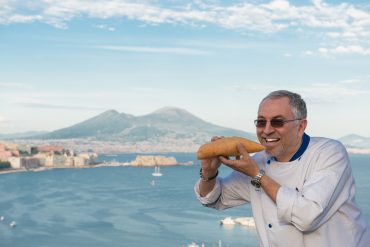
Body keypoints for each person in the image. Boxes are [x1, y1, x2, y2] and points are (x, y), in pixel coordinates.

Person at [195, 90, 370, 247]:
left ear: (301, 126)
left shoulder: (328, 153)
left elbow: (307, 216)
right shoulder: (259, 161)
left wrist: (258, 175)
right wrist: (209, 173)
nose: (267, 130)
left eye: (277, 122)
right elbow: (215, 198)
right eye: (261, 122)